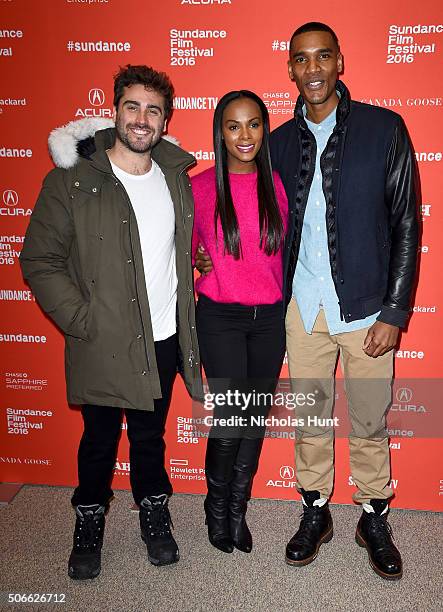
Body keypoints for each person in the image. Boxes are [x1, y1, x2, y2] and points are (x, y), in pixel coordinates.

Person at [196, 23, 419, 579]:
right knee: (311, 419)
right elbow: (235, 204)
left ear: (340, 61)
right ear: (290, 69)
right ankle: (315, 511)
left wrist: (395, 309)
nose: (313, 69)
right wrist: (202, 255)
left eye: (323, 57)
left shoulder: (384, 128)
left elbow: (406, 223)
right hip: (300, 306)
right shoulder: (276, 142)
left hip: (367, 307)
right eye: (302, 59)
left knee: (369, 419)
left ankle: (373, 515)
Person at [20, 65, 201, 579]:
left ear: (165, 120)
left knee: (150, 436)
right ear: (114, 109)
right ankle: (90, 519)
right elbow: (39, 259)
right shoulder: (71, 180)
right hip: (100, 339)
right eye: (132, 106)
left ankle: (153, 510)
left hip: (163, 336)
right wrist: (81, 319)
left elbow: (180, 250)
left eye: (153, 110)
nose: (142, 119)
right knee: (99, 440)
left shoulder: (175, 178)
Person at [192, 90, 288, 554]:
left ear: (264, 130)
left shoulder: (280, 183)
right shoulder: (201, 186)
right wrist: (194, 256)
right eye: (233, 126)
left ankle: (237, 509)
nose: (244, 135)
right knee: (231, 416)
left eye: (253, 124)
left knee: (253, 418)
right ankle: (216, 510)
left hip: (269, 319)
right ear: (220, 133)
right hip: (220, 317)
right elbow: (178, 246)